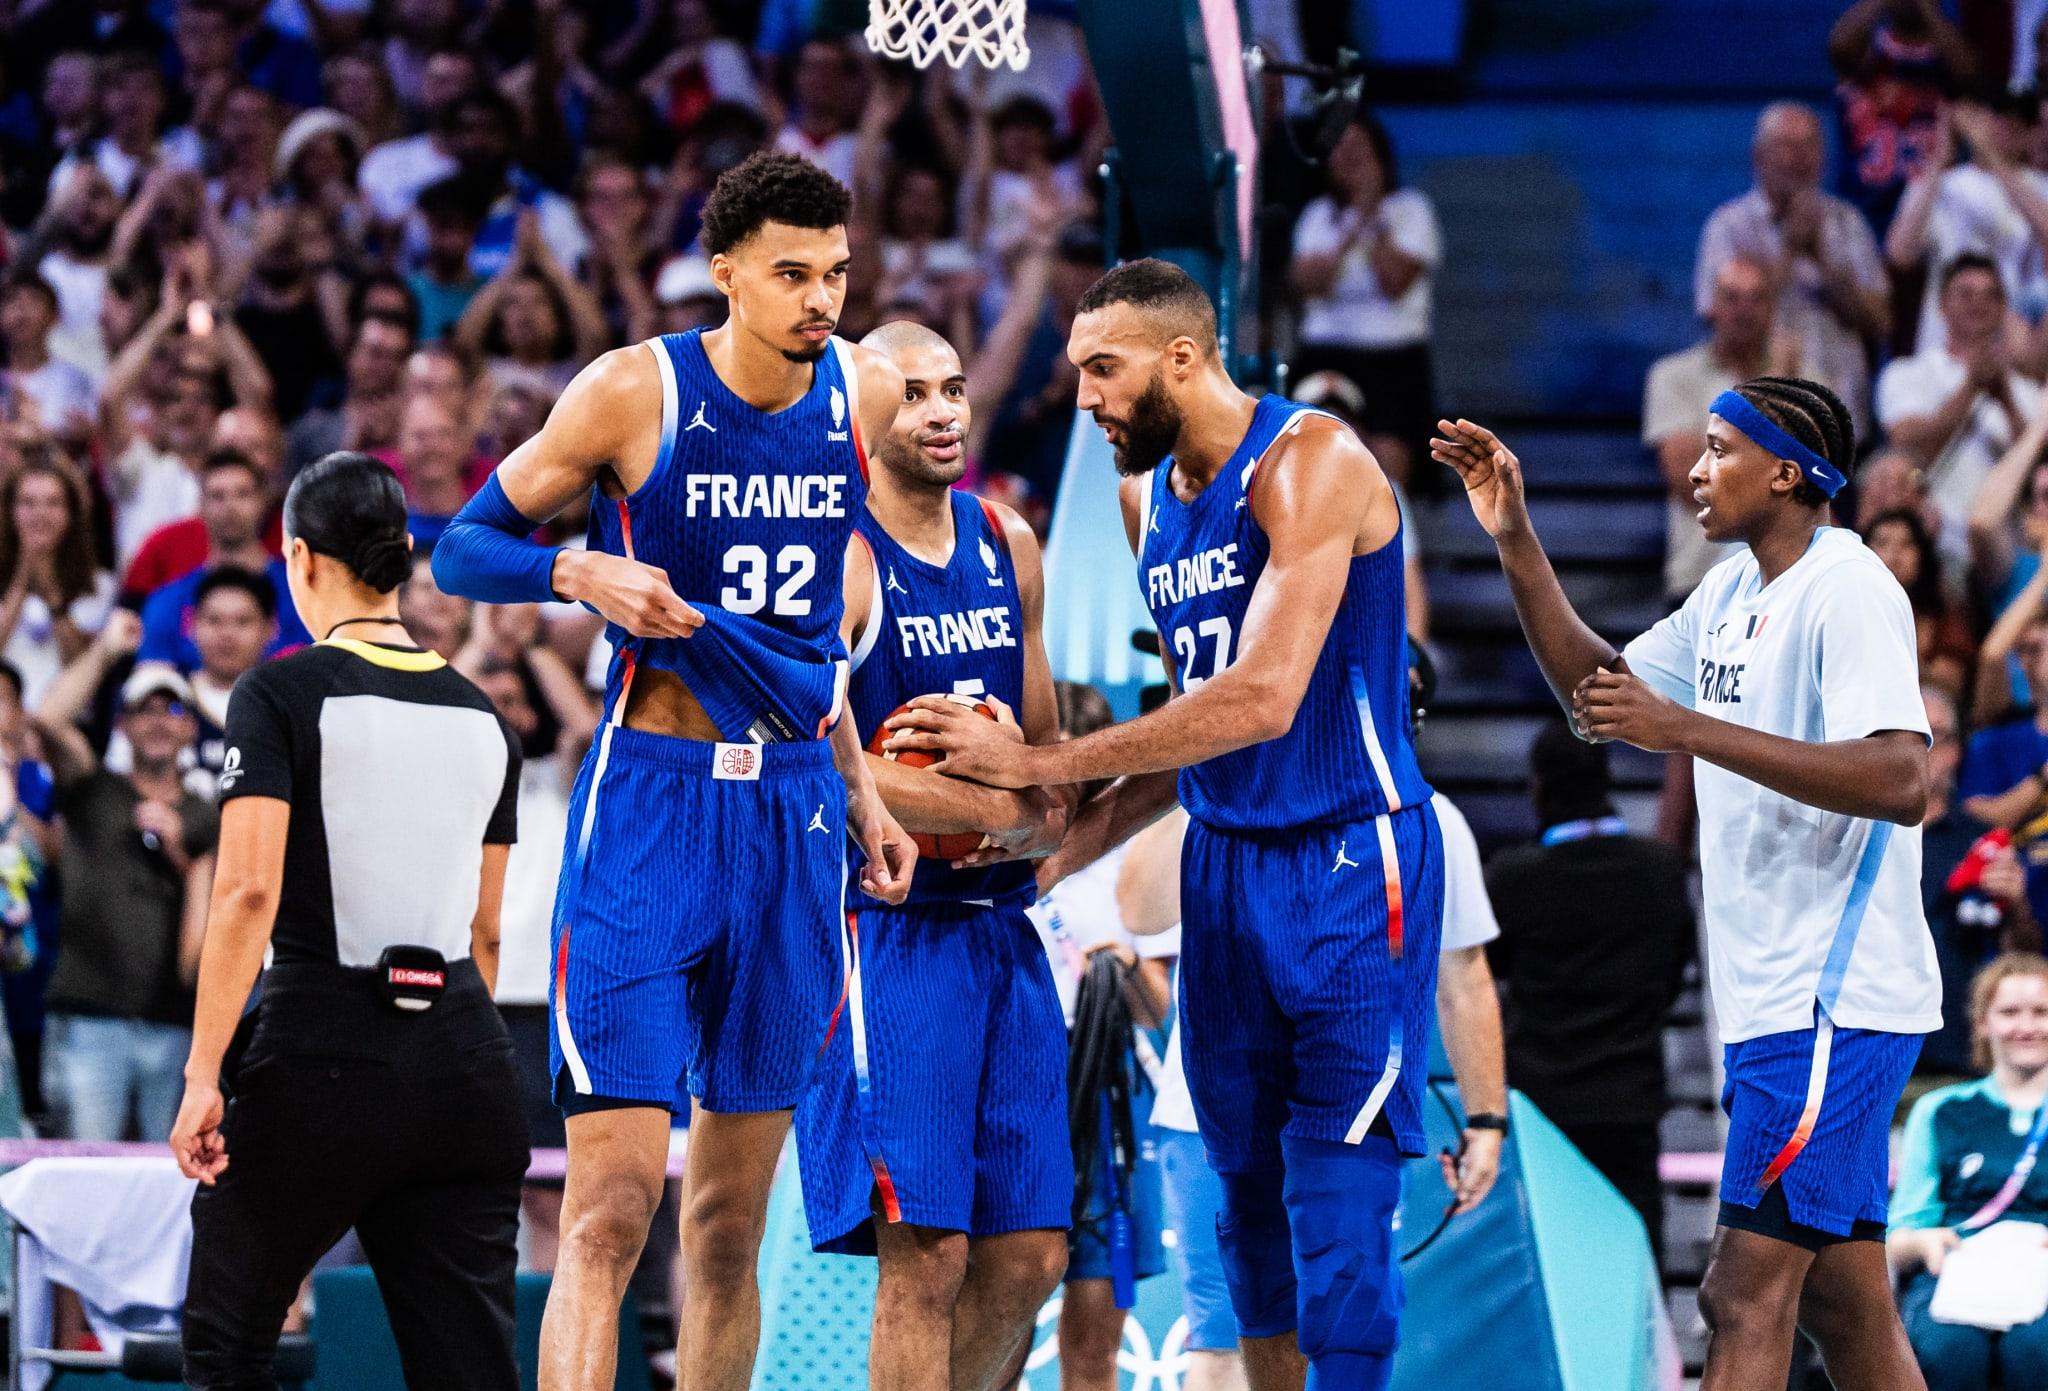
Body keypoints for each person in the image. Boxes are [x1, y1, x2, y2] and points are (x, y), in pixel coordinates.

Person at [888, 258, 1441, 1391]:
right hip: (1224, 867)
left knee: (1336, 1211)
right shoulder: (1145, 503)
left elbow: (1263, 695)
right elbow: (1190, 729)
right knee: (1239, 1212)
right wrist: (1053, 845)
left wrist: (1038, 761)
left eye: (1103, 369)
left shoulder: (1309, 461)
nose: (1083, 398)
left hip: (1349, 858)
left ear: (1180, 358)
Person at [431, 150, 914, 1391]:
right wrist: (576, 571)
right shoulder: (630, 390)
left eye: (837, 273)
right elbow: (462, 549)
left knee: (729, 1225)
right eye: (792, 275)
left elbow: (812, 651)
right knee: (607, 1210)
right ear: (725, 275)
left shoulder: (860, 393)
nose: (822, 298)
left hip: (797, 808)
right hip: (650, 801)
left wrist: (861, 793)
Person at [1432, 380, 1940, 1390]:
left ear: (1786, 471)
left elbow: (1900, 777)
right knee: (1846, 1305)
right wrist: (1515, 537)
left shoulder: (1848, 586)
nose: (1695, 470)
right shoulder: (1725, 593)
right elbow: (1595, 698)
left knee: (1738, 1293)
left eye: (1716, 450)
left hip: (1829, 999)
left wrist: (1687, 731)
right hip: (1768, 1001)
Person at [166, 450, 526, 1390]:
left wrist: (205, 1073)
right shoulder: (487, 717)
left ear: (298, 557)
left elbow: (246, 893)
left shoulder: (279, 693)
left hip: (325, 1053)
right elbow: (483, 935)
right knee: (470, 1371)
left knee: (226, 1343)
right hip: (465, 1063)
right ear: (403, 558)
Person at [791, 320, 1070, 1391]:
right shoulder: (844, 562)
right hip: (885, 935)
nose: (942, 410)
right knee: (929, 1255)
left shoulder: (1009, 542)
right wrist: (979, 800)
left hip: (1003, 930)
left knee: (1032, 1251)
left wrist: (1030, 812)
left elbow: (1046, 770)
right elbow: (811, 752)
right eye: (910, 394)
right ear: (862, 415)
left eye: (951, 388)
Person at [1483, 721, 1695, 1270]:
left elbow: (1483, 982)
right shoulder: (1661, 872)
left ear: (1539, 786)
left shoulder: (1512, 878)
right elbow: (1673, 976)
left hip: (1542, 1112)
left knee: (1554, 1267)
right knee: (1635, 1267)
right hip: (1631, 1106)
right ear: (1607, 781)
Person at [35, 653, 215, 1141]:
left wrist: (181, 853)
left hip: (177, 1023)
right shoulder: (94, 790)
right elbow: (48, 719)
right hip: (90, 1016)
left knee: (168, 1182)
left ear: (192, 729)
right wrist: (106, 649)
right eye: (144, 709)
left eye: (173, 710)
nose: (159, 721)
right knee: (81, 1173)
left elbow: (229, 913)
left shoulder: (210, 813)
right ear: (123, 724)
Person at [1889, 953, 2048, 1389]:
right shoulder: (1939, 1111)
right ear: (1982, 1023)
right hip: (1959, 1269)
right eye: (2010, 1012)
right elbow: (1899, 1236)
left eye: (2041, 1011)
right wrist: (1923, 1244)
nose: (2027, 1025)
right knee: (1948, 1351)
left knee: (2036, 1350)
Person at [1694, 103, 1889, 435]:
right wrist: (1789, 250)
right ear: (1759, 156)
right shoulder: (1728, 225)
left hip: (1838, 415)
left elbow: (1880, 322)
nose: (1800, 157)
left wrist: (1820, 259)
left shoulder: (1847, 221)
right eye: (1787, 146)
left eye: (1810, 145)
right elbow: (1716, 314)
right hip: (1759, 414)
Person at [1287, 110, 1440, 487]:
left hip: (1393, 359)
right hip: (1326, 355)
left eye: (1358, 147)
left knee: (1386, 472)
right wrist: (1350, 227)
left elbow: (1394, 281)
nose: (1349, 157)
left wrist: (1372, 218)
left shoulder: (1411, 210)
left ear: (1380, 155)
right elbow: (1309, 282)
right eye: (1340, 149)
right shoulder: (1317, 215)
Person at [1645, 254, 1806, 604]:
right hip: (1699, 580)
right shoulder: (1673, 377)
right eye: (1732, 298)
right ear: (1711, 305)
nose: (1744, 310)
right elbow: (1689, 481)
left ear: (1772, 309)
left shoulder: (1807, 381)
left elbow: (1812, 485)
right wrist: (1775, 388)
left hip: (1787, 581)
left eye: (1756, 298)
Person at [1877, 254, 2044, 561]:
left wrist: (2005, 399)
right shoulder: (1909, 373)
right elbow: (1906, 447)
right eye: (1965, 293)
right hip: (1933, 545)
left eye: (1990, 295)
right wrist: (1970, 389)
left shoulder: (2028, 390)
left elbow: (2038, 471)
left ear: (2003, 308)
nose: (1977, 303)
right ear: (1942, 305)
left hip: (2010, 552)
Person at [135, 448, 310, 670]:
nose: (230, 506)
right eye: (217, 495)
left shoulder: (302, 594)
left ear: (262, 502)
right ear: (200, 505)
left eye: (242, 493)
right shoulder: (167, 601)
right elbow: (153, 683)